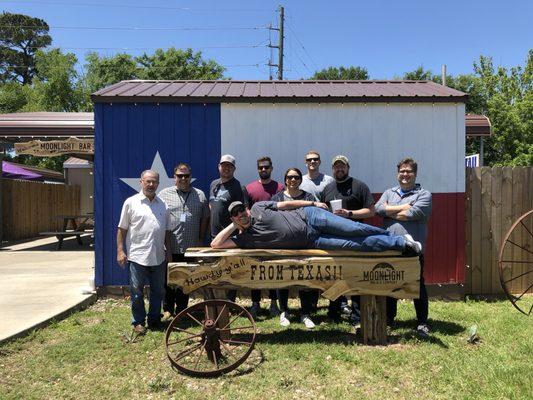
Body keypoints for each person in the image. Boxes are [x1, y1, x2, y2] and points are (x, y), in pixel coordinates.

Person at [211, 200, 421, 256]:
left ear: (247, 208)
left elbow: (286, 205)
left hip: (311, 217)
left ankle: (397, 238)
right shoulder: (244, 240)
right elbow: (215, 244)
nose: (242, 214)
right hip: (313, 241)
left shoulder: (258, 208)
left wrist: (311, 204)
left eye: (242, 210)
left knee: (354, 229)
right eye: (236, 214)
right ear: (234, 218)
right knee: (357, 245)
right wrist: (234, 225)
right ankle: (401, 242)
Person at [375, 157, 432, 337]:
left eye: (409, 171)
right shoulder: (389, 192)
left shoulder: (424, 194)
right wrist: (403, 206)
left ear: (415, 174)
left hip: (412, 248)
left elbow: (414, 213)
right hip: (390, 247)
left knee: (417, 284)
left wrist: (390, 210)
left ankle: (422, 322)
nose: (405, 175)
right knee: (389, 282)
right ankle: (389, 320)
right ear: (397, 173)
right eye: (402, 171)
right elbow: (378, 209)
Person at [321, 155, 375, 323]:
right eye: (336, 167)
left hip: (355, 238)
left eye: (342, 166)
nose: (339, 169)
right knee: (334, 275)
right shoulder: (328, 189)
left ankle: (356, 316)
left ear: (348, 168)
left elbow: (371, 211)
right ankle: (334, 313)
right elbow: (322, 211)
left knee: (356, 275)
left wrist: (350, 214)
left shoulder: (359, 186)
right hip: (334, 238)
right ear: (332, 169)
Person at [117, 170, 171, 334]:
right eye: (147, 181)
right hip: (137, 256)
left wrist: (168, 252)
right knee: (136, 291)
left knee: (158, 291)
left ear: (158, 183)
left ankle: (154, 319)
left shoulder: (163, 205)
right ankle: (138, 322)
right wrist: (120, 251)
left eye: (154, 181)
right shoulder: (131, 203)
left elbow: (167, 231)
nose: (151, 184)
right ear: (141, 182)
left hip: (158, 256)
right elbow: (122, 229)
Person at [159, 163, 209, 320]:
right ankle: (167, 309)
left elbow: (205, 217)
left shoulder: (199, 194)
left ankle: (181, 309)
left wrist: (201, 239)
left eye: (186, 176)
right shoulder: (164, 194)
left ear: (190, 177)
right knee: (168, 279)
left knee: (185, 280)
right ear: (174, 177)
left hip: (190, 246)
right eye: (180, 176)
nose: (183, 178)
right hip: (170, 245)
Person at [271, 167, 319, 329]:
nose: (293, 180)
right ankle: (284, 311)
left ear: (300, 179)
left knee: (304, 277)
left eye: (296, 177)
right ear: (285, 180)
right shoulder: (277, 197)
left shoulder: (308, 197)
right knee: (282, 277)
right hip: (283, 243)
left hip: (304, 243)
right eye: (290, 177)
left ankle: (305, 313)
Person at [245, 156, 283, 318]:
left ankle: (274, 304)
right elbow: (247, 211)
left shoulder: (280, 187)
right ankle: (255, 304)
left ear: (271, 168)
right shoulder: (250, 188)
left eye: (266, 167)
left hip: (274, 236)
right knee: (255, 270)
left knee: (275, 270)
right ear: (257, 169)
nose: (263, 170)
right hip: (256, 236)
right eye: (260, 167)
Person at [209, 154, 249, 302]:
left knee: (230, 270)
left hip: (230, 237)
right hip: (214, 235)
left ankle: (230, 303)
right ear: (219, 167)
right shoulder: (213, 184)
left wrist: (239, 231)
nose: (226, 168)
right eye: (223, 165)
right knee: (215, 270)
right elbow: (212, 205)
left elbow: (244, 213)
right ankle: (217, 302)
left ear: (234, 169)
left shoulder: (238, 187)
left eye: (229, 166)